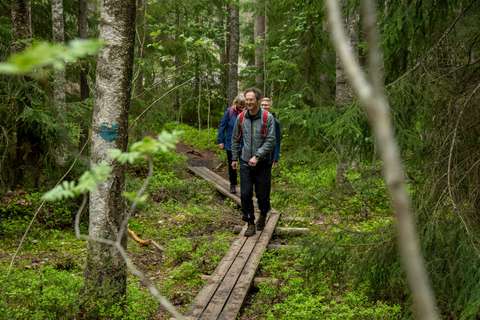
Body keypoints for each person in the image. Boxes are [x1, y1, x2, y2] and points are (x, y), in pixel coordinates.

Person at [231, 88, 276, 237]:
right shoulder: (241, 117)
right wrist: (234, 158)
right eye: (247, 99)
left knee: (263, 195)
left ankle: (263, 214)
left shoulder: (267, 117)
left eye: (251, 99)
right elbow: (236, 138)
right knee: (245, 193)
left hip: (262, 163)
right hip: (245, 162)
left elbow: (271, 140)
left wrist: (257, 156)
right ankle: (250, 222)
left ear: (257, 100)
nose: (248, 102)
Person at [217, 94, 246, 193]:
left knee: (244, 166)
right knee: (232, 165)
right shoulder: (229, 112)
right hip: (230, 144)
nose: (242, 107)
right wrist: (220, 141)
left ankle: (244, 186)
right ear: (236, 103)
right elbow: (222, 126)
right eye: (240, 104)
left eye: (244, 105)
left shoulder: (247, 113)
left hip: (244, 144)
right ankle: (233, 185)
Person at [260, 97, 281, 213]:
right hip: (255, 156)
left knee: (265, 181)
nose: (264, 107)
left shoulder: (275, 121)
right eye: (262, 105)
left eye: (266, 105)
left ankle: (266, 204)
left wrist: (276, 157)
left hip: (269, 156)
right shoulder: (256, 119)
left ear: (270, 106)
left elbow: (277, 141)